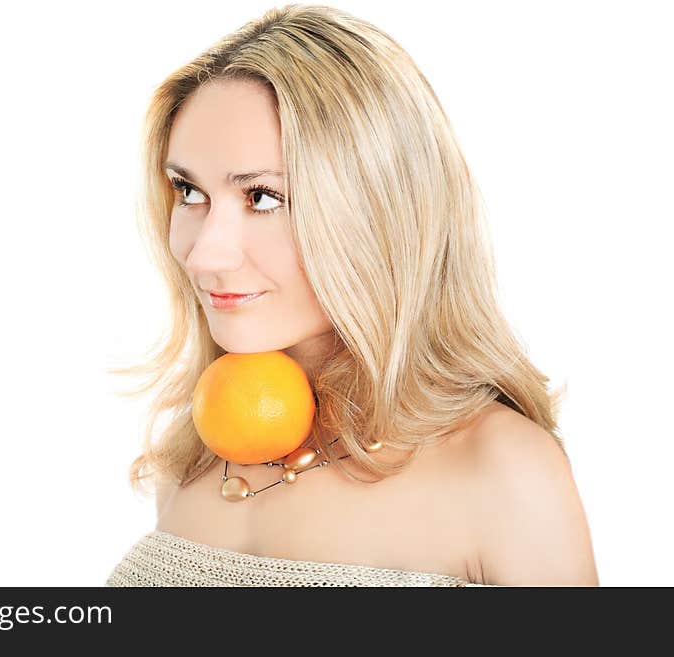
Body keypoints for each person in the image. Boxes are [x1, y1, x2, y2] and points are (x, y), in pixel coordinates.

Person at [105, 3, 598, 587]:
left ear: (379, 211)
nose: (205, 253)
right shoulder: (192, 456)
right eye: (189, 192)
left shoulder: (503, 472)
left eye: (263, 197)